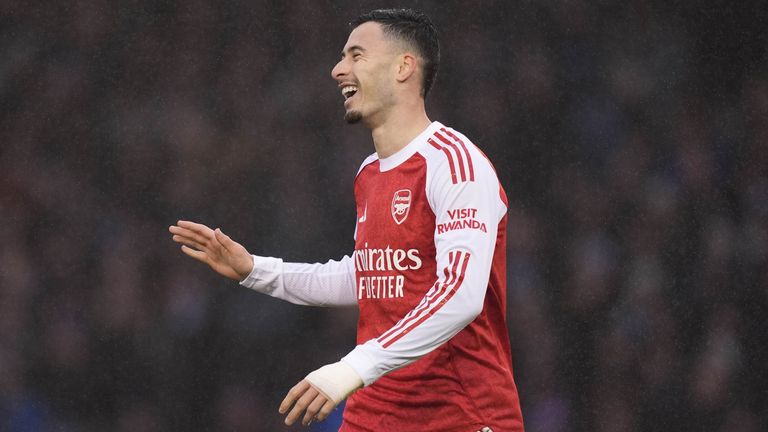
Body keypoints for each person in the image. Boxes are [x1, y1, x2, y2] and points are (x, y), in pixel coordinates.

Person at [169, 8, 524, 431]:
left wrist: (353, 368)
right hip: (375, 413)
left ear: (403, 67)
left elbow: (460, 295)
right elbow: (370, 277)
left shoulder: (456, 164)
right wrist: (255, 270)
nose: (338, 70)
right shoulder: (369, 172)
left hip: (460, 416)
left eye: (356, 55)